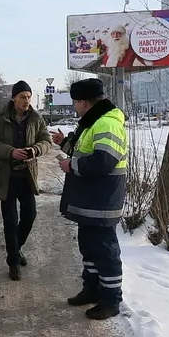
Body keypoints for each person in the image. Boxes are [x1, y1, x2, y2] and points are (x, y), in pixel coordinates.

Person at [51, 78, 128, 320]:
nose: (75, 107)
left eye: (75, 103)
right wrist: (65, 144)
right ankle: (92, 289)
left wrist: (71, 165)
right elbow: (88, 151)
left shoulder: (107, 123)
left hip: (102, 200)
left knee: (104, 251)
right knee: (89, 247)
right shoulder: (94, 121)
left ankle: (111, 299)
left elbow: (105, 160)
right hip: (91, 199)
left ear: (83, 102)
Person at [0, 80, 52, 281]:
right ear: (14, 98)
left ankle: (16, 249)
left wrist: (34, 150)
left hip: (27, 176)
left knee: (29, 216)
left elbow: (46, 141)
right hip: (6, 177)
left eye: (29, 97)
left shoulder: (36, 118)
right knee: (10, 221)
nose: (26, 101)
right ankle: (13, 261)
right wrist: (11, 152)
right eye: (22, 97)